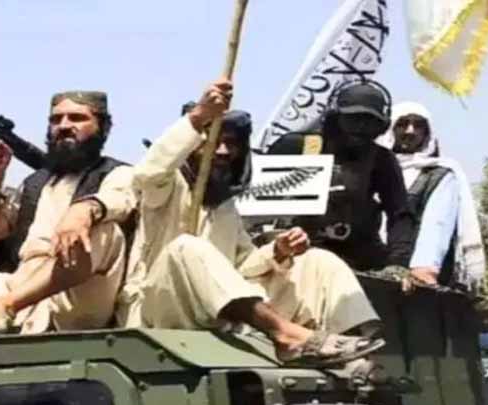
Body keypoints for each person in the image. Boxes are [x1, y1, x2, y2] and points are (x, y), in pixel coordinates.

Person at [119, 80, 383, 367]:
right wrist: (198, 116)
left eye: (231, 144)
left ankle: (353, 352)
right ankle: (285, 335)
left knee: (318, 261)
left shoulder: (224, 205)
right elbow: (147, 174)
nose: (222, 152)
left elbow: (242, 266)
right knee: (187, 247)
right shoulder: (165, 185)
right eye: (213, 141)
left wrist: (278, 251)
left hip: (220, 310)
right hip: (162, 308)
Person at [0, 91, 137, 334]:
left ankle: (3, 308)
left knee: (103, 231)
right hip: (21, 283)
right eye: (56, 119)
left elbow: (120, 200)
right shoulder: (36, 183)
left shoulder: (118, 173)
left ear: (104, 127)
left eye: (77, 118)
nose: (64, 126)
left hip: (76, 297)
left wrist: (84, 211)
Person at [269, 81, 415, 272]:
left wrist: (397, 263)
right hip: (293, 250)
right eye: (353, 119)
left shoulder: (381, 159)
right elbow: (259, 202)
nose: (360, 127)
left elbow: (399, 214)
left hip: (356, 256)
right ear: (335, 117)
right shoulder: (298, 146)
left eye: (369, 122)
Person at [377, 101, 485, 290]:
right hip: (372, 265)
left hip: (413, 278)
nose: (410, 131)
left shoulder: (439, 174)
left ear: (427, 133)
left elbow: (437, 223)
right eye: (403, 124)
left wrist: (423, 270)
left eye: (418, 125)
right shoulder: (375, 168)